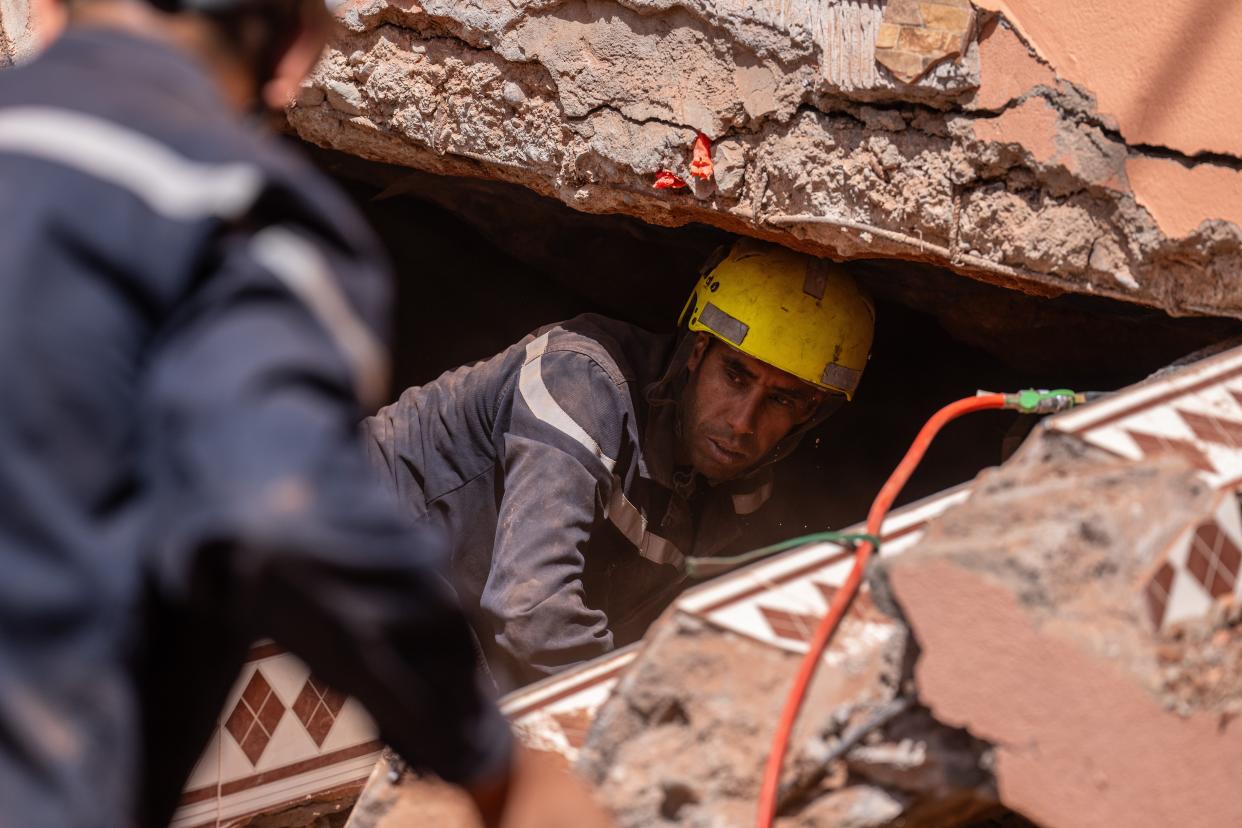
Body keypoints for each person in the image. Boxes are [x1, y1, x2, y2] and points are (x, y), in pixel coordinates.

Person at [0, 0, 612, 825]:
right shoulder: (234, 216)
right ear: (294, 53)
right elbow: (280, 508)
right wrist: (492, 768)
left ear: (44, 13)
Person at [365, 239, 876, 685]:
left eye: (782, 401)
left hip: (459, 604)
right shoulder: (581, 382)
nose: (743, 422)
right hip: (346, 528)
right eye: (736, 376)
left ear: (809, 414)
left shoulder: (744, 493)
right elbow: (532, 609)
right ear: (697, 352)